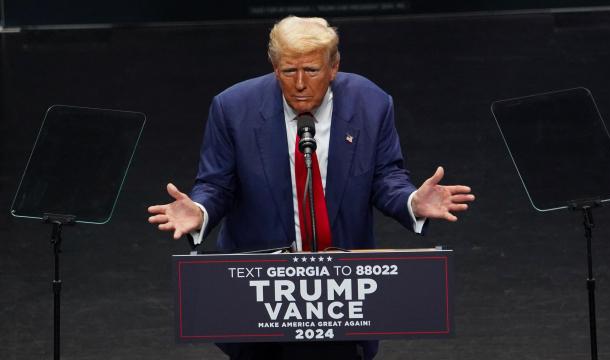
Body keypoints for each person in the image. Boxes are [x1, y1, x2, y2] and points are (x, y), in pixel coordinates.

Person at [148, 16, 474, 360]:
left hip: (341, 294)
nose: (300, 83)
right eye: (289, 71)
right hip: (262, 296)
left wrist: (411, 201)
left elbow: (384, 177)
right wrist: (199, 211)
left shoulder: (371, 103)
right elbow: (216, 184)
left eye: (312, 71)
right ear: (275, 69)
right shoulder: (233, 108)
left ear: (334, 67)